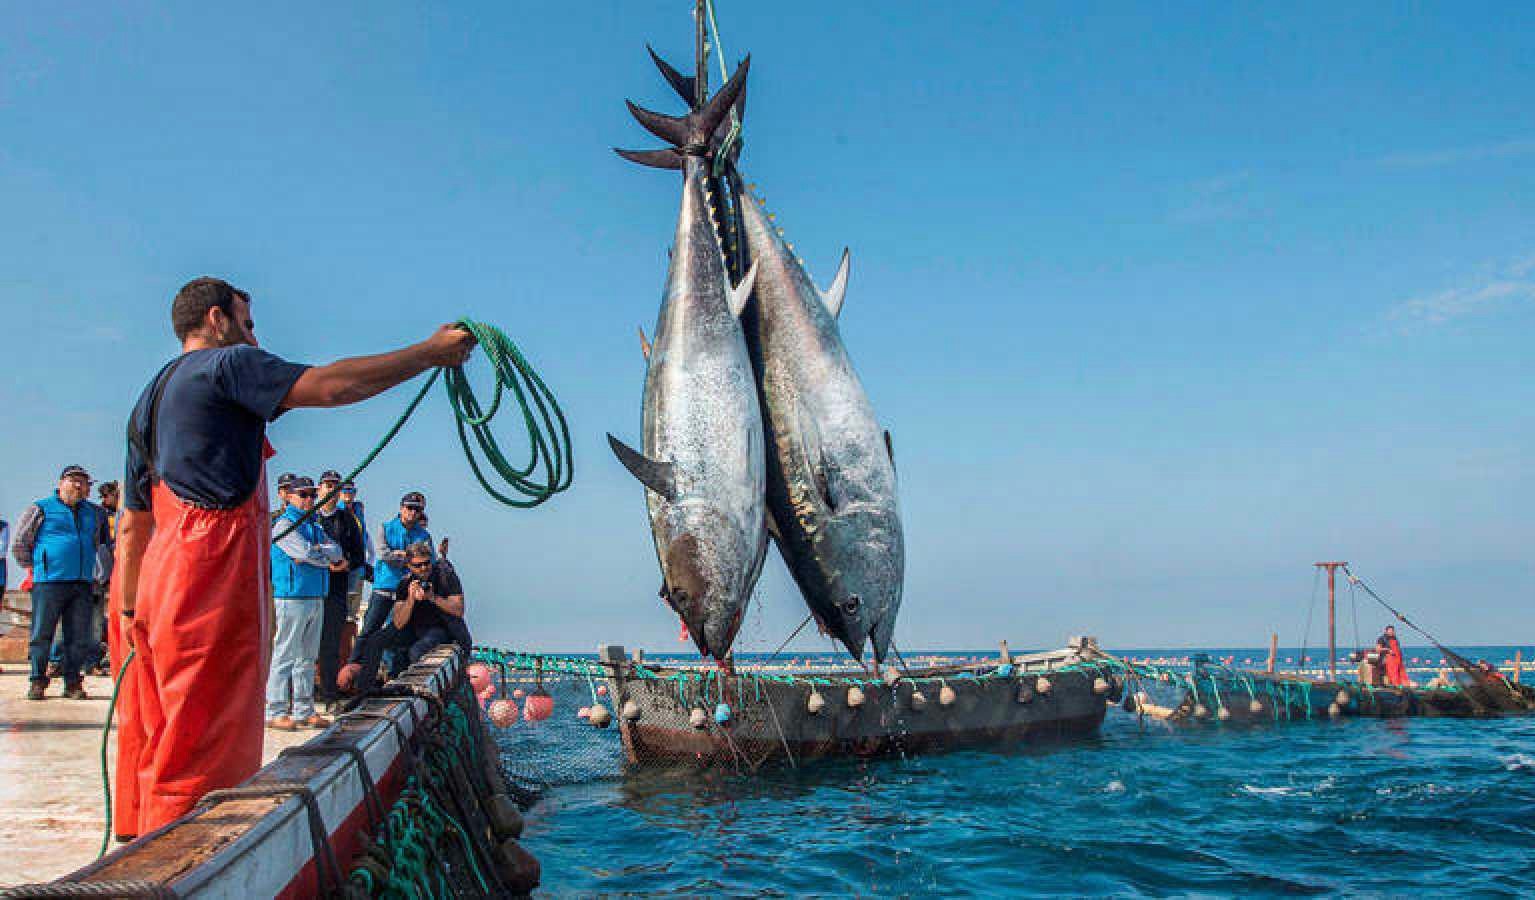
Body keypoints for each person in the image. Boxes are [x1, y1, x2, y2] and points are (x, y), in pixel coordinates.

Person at [112, 276, 474, 838]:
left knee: (159, 732)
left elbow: (133, 522)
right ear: (216, 320)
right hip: (206, 577)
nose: (255, 339)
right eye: (248, 323)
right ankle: (187, 865)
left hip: (155, 578)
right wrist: (430, 354)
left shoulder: (150, 397)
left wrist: (133, 613)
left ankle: (137, 849)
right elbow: (332, 387)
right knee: (203, 742)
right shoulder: (225, 365)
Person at [13, 466, 108, 700]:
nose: (78, 485)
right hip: (49, 582)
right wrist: (37, 566)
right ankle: (37, 680)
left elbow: (98, 543)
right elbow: (20, 542)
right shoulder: (41, 508)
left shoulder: (95, 513)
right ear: (60, 483)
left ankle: (73, 682)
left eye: (84, 482)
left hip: (82, 583)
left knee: (78, 636)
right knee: (42, 633)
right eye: (73, 480)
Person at [339, 541, 472, 695]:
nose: (423, 568)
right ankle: (365, 690)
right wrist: (410, 599)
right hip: (414, 629)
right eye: (418, 565)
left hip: (441, 629)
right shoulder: (405, 583)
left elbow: (458, 609)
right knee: (375, 641)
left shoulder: (445, 576)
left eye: (426, 564)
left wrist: (433, 597)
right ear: (409, 566)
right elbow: (398, 622)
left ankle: (418, 692)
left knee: (417, 651)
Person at [267, 476, 343, 730]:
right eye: (303, 495)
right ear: (290, 496)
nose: (309, 499)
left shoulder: (315, 525)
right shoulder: (284, 525)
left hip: (314, 594)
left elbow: (337, 552)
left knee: (308, 657)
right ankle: (275, 709)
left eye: (312, 495)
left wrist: (317, 553)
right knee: (285, 653)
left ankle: (304, 709)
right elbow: (305, 553)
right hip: (292, 596)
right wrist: (322, 555)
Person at [354, 491, 433, 660]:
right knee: (368, 629)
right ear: (401, 508)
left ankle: (392, 674)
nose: (412, 512)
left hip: (406, 593)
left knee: (398, 633)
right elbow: (384, 554)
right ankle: (354, 666)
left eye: (417, 509)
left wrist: (400, 556)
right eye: (409, 507)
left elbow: (426, 562)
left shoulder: (424, 535)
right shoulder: (386, 527)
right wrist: (409, 560)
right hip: (384, 588)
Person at [314, 470, 366, 711]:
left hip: (336, 590)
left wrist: (346, 564)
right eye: (328, 485)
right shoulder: (309, 517)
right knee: (304, 645)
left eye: (336, 486)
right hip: (309, 589)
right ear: (319, 489)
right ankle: (300, 694)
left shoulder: (348, 520)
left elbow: (358, 555)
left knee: (331, 643)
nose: (332, 490)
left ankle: (328, 694)